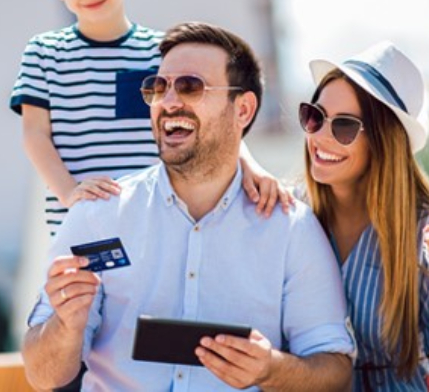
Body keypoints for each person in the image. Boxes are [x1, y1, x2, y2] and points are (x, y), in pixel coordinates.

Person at [21, 22, 356, 391]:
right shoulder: (97, 213)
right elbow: (41, 375)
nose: (168, 101)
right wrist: (65, 327)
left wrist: (271, 370)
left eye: (190, 86)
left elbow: (335, 373)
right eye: (158, 87)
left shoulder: (292, 229)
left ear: (242, 110)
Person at [9, 0, 288, 238]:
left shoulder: (164, 54)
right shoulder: (43, 53)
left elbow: (206, 122)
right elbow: (34, 135)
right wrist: (70, 194)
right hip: (82, 229)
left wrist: (252, 167)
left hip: (158, 228)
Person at [298, 41, 429, 390]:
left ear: (383, 141)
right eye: (314, 116)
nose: (320, 136)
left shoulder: (428, 229)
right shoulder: (292, 213)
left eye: (345, 127)